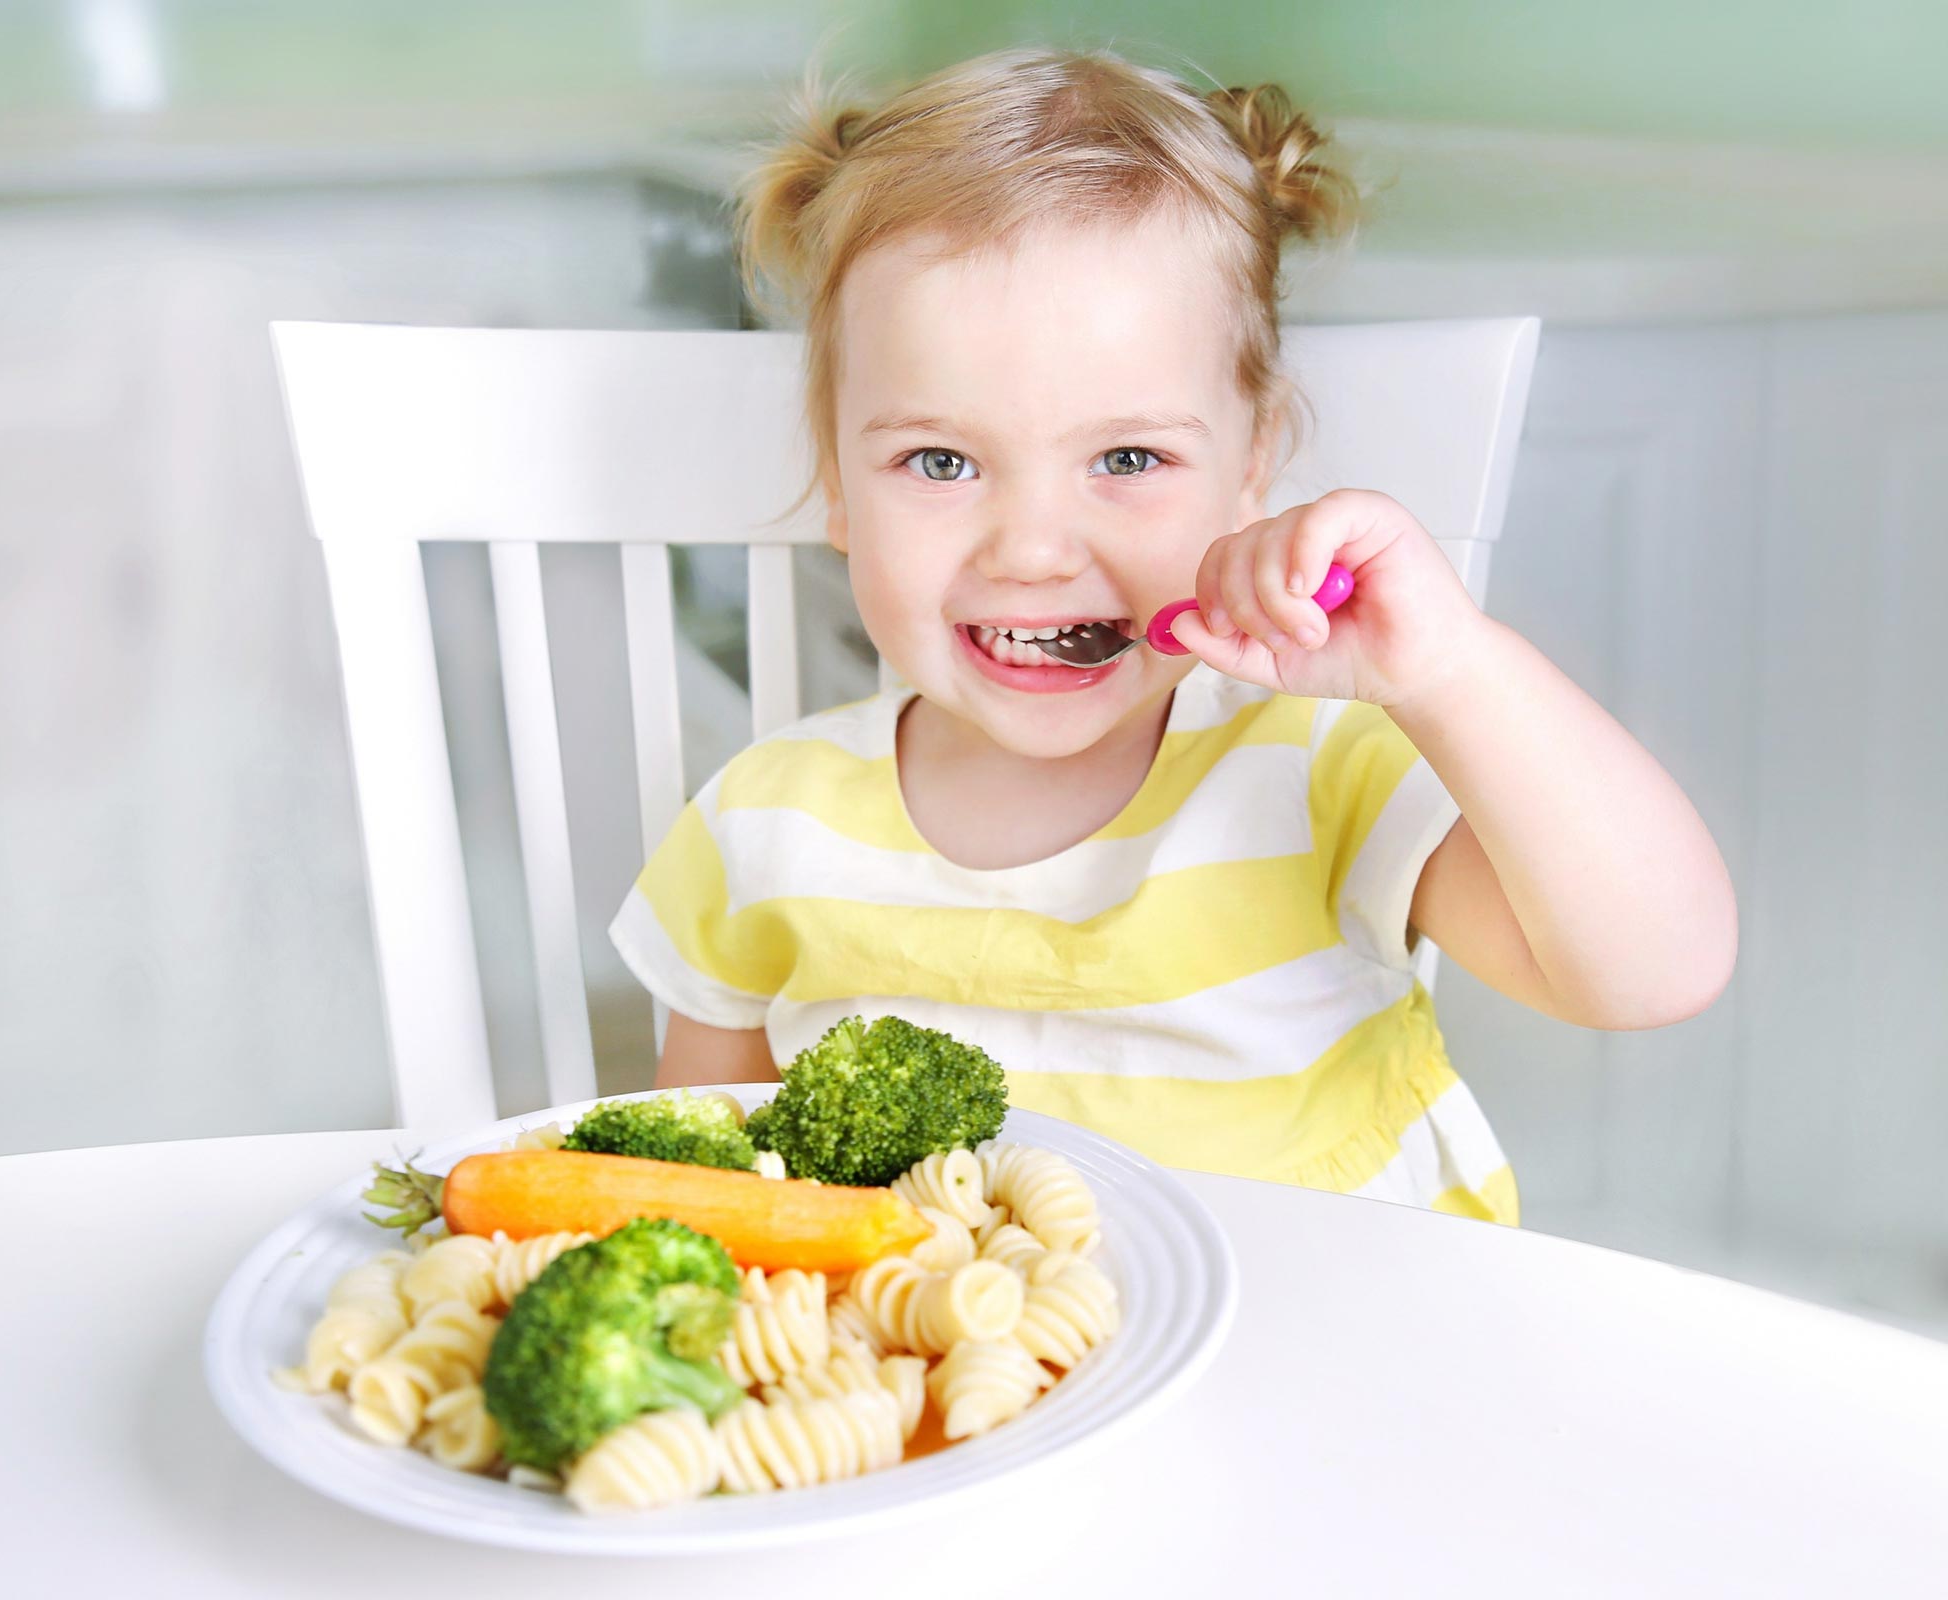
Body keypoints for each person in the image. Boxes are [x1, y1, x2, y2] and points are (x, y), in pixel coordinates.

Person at [610, 47, 1737, 1224]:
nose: (1031, 549)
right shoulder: (761, 826)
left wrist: (1450, 669)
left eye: (1127, 457)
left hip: (1339, 1329)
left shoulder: (1315, 767)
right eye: (938, 461)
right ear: (838, 482)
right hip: (973, 1345)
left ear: (1251, 465)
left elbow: (1652, 971)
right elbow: (701, 1199)